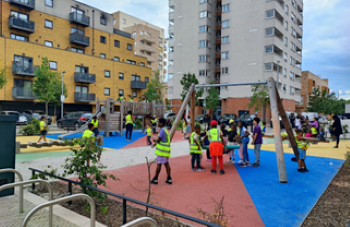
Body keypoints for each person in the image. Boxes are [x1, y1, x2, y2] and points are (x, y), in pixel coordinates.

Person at [150, 118, 172, 185]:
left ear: (162, 123)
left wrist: (154, 140)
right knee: (166, 164)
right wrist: (156, 143)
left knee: (159, 164)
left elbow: (159, 140)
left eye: (159, 122)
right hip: (166, 150)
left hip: (161, 151)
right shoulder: (165, 130)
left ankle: (156, 178)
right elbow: (163, 140)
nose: (158, 123)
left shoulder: (161, 131)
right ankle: (169, 178)